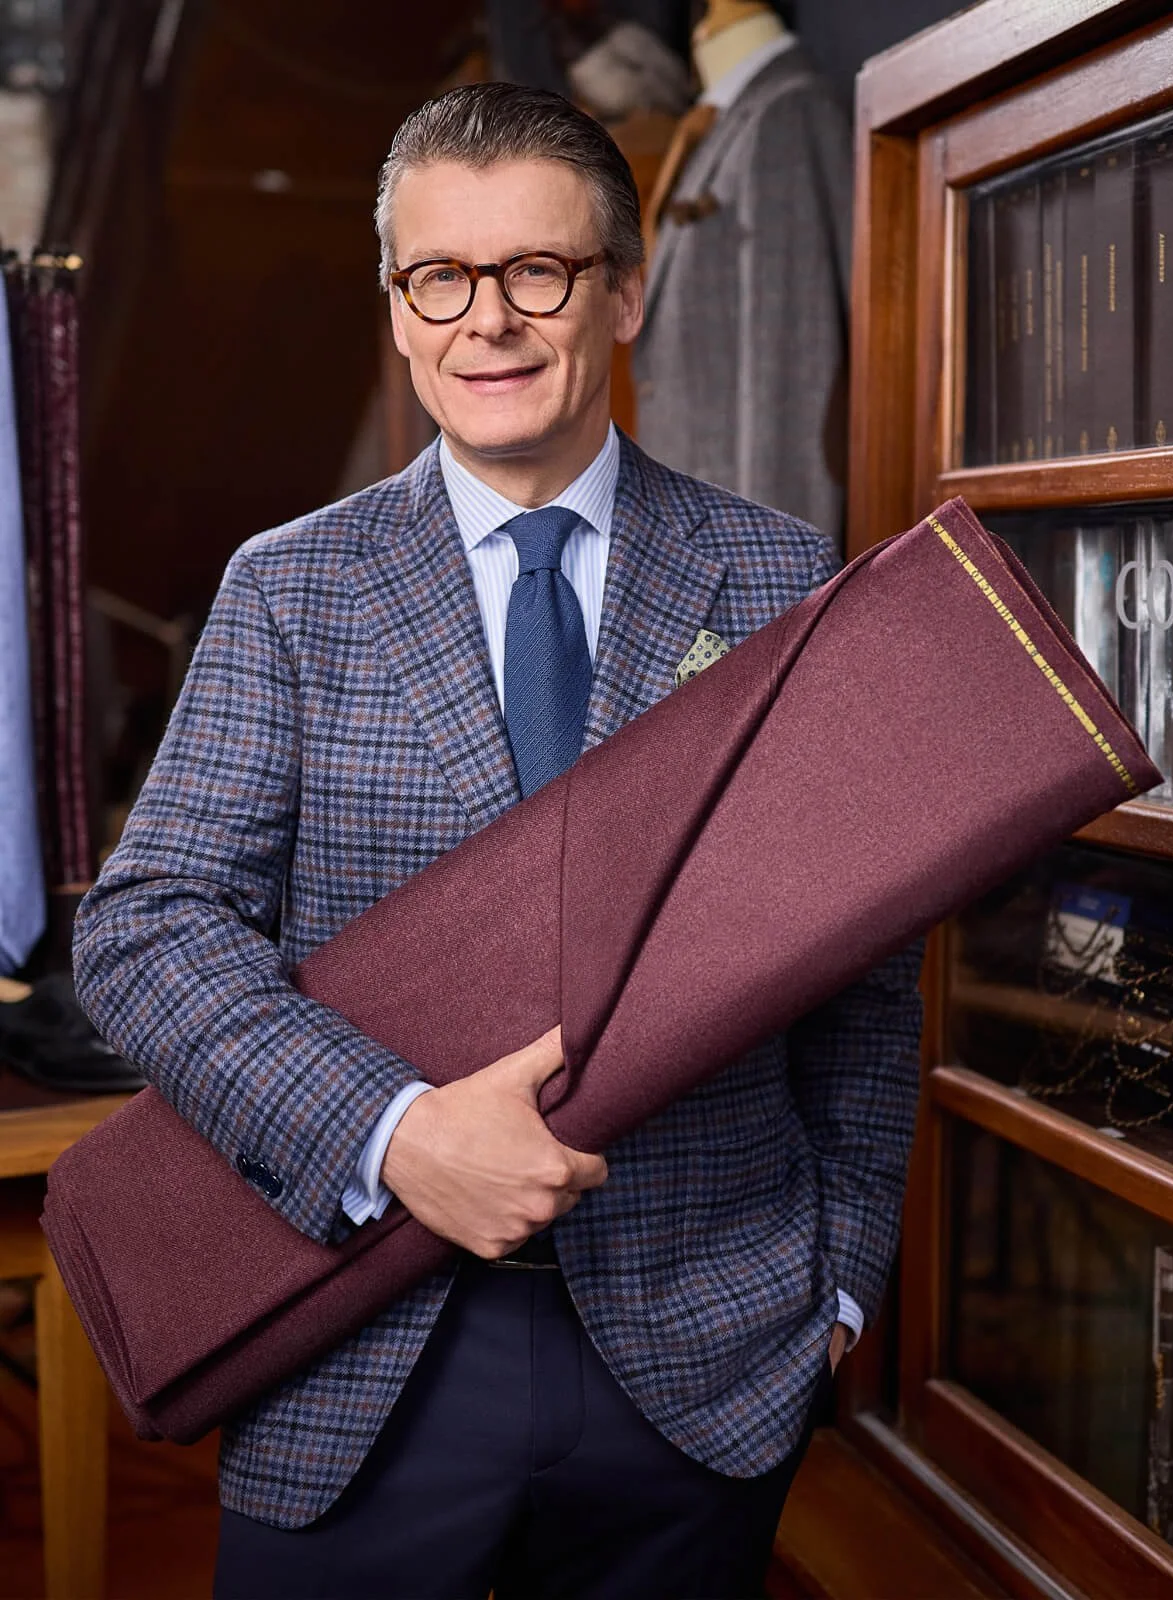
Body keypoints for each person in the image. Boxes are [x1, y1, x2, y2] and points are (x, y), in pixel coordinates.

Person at [72, 82, 922, 1600]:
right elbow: (148, 928)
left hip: (707, 1352)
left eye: (541, 270)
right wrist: (395, 1132)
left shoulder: (781, 574)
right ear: (400, 313)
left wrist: (842, 1286)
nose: (492, 322)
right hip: (361, 1346)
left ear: (625, 290)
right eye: (442, 279)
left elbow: (861, 973)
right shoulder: (291, 588)